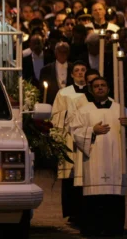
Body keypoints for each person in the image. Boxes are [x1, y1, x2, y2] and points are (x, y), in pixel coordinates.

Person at [70, 77, 127, 236]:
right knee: (94, 199)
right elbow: (75, 132)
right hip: (94, 160)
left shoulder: (120, 109)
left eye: (103, 85)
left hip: (116, 160)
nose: (100, 88)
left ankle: (114, 229)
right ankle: (92, 229)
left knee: (114, 198)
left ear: (108, 89)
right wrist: (92, 131)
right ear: (91, 90)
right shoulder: (84, 110)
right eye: (96, 86)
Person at [49, 61, 88, 223]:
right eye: (76, 71)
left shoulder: (93, 92)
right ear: (71, 75)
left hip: (89, 137)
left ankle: (87, 211)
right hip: (70, 138)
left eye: (83, 70)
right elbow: (55, 116)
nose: (80, 73)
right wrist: (68, 114)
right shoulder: (63, 93)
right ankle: (73, 212)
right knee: (71, 176)